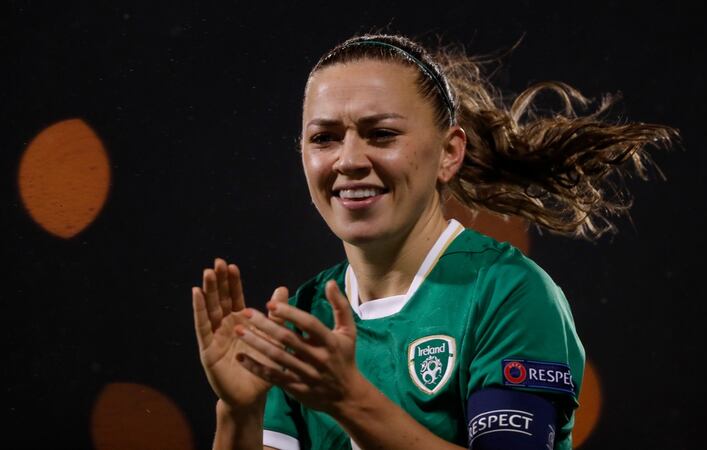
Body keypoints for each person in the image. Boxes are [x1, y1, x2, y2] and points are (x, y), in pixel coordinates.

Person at [191, 33, 678, 450]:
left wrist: (348, 400)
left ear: (449, 153)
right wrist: (239, 411)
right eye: (324, 138)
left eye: (380, 134)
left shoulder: (508, 294)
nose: (349, 160)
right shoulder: (303, 319)